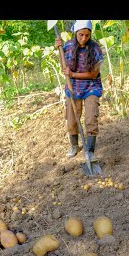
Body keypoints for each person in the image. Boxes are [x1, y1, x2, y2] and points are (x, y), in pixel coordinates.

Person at [55, 20, 104, 162]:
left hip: (91, 86)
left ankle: (90, 151)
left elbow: (93, 74)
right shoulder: (69, 46)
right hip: (73, 86)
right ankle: (74, 146)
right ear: (75, 33)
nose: (84, 39)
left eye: (87, 36)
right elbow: (64, 67)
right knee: (71, 119)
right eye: (81, 35)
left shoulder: (95, 49)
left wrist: (73, 74)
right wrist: (59, 50)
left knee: (91, 118)